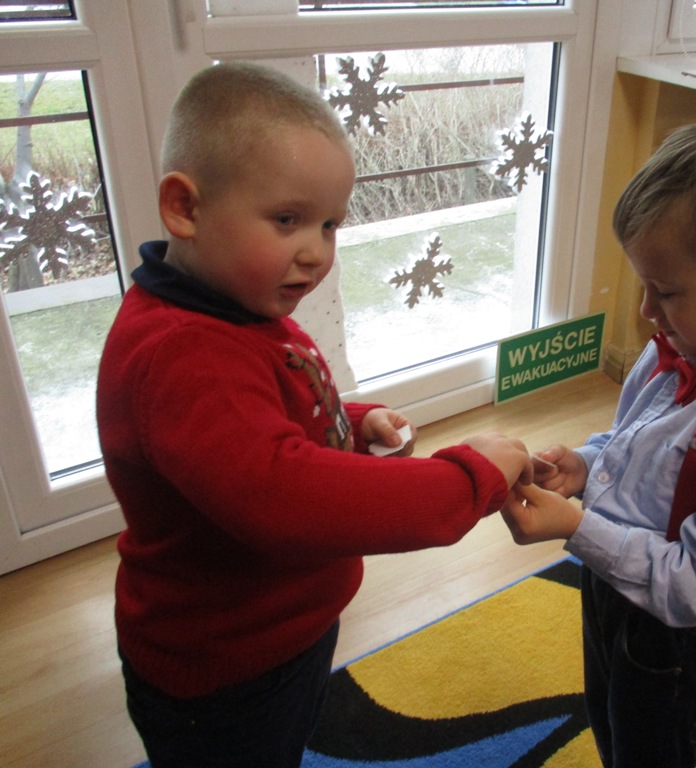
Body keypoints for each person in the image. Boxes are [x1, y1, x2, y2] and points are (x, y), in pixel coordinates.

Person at [96, 61, 533, 768]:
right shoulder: (181, 355)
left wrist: (351, 423)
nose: (316, 253)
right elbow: (285, 493)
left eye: (330, 225)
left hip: (284, 634)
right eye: (287, 220)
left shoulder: (236, 308)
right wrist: (464, 481)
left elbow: (263, 417)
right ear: (185, 208)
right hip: (226, 673)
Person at [503, 123, 696, 767]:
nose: (647, 310)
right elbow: (638, 446)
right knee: (610, 722)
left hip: (680, 645)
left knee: (653, 751)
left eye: (667, 291)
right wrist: (586, 464)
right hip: (614, 585)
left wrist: (577, 527)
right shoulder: (674, 348)